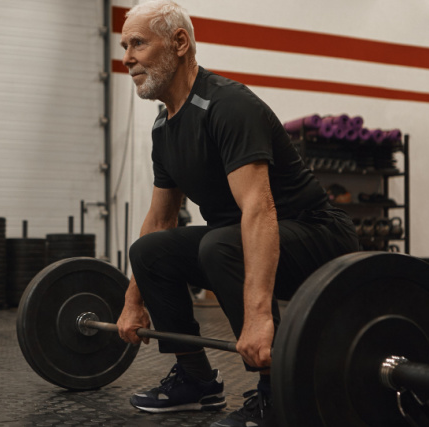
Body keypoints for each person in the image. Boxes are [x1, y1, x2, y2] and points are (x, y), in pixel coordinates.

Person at [115, 1, 360, 426]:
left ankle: (276, 393)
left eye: (138, 43)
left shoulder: (227, 105)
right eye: (124, 46)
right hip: (241, 238)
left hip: (319, 236)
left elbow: (258, 208)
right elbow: (160, 221)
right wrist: (133, 301)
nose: (128, 57)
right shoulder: (163, 128)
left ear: (179, 42)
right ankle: (196, 381)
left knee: (219, 245)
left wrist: (260, 317)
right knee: (152, 249)